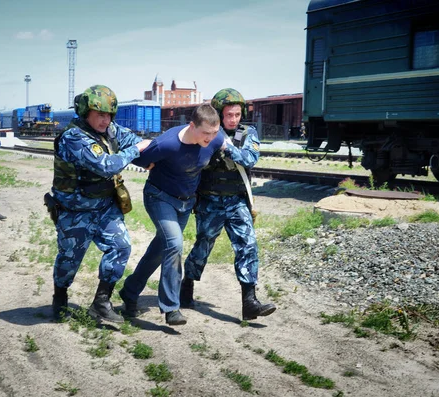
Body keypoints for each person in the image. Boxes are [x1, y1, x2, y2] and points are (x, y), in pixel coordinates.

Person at [50, 85, 151, 323]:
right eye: (100, 114)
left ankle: (101, 302)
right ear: (86, 112)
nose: (106, 120)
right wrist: (136, 150)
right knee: (69, 259)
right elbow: (106, 165)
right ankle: (60, 297)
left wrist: (152, 153)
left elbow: (136, 141)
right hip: (76, 210)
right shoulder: (73, 137)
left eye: (109, 115)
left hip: (105, 207)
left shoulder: (110, 130)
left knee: (121, 246)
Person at [118, 103, 224, 326]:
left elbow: (222, 143)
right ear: (192, 125)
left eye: (214, 132)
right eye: (205, 132)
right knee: (174, 244)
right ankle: (171, 307)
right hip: (159, 198)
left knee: (160, 250)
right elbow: (139, 158)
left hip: (185, 203)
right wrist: (148, 164)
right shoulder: (167, 143)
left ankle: (129, 291)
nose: (210, 137)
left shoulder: (214, 138)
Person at [181, 88, 276, 321]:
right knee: (203, 246)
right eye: (228, 115)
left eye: (237, 114)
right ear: (218, 114)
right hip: (209, 201)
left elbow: (250, 158)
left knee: (248, 245)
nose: (233, 119)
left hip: (236, 202)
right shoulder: (208, 131)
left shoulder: (247, 133)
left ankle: (249, 302)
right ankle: (187, 284)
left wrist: (226, 146)